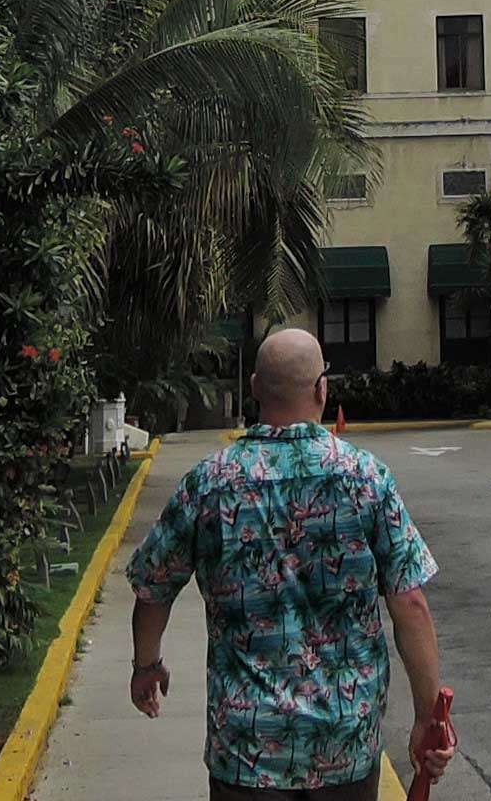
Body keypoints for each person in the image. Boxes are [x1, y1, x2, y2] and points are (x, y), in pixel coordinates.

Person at [127, 325, 449, 801]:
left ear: (254, 388)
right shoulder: (366, 479)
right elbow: (411, 606)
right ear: (323, 389)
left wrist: (146, 665)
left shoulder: (209, 484)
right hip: (345, 748)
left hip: (246, 752)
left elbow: (152, 587)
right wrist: (427, 718)